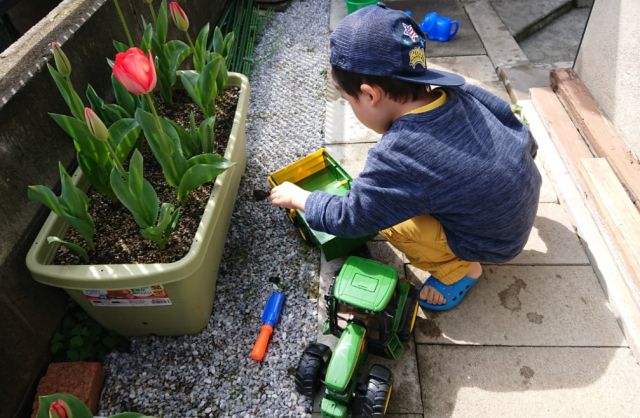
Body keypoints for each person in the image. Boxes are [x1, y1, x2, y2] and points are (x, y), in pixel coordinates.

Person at [270, 3, 541, 310]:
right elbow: (522, 135)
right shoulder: (461, 94)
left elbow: (354, 216)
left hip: (494, 241)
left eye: (349, 102)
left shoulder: (400, 155)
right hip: (524, 198)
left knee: (388, 221)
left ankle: (461, 270)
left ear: (370, 95)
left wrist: (301, 198)